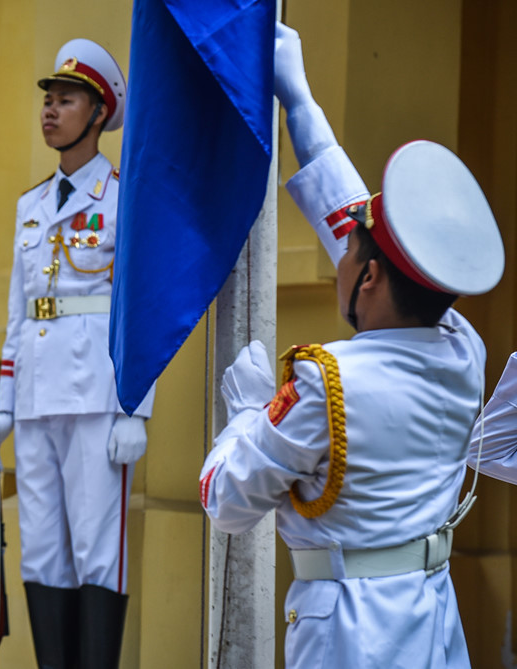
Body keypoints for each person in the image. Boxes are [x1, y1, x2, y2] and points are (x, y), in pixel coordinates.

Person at [199, 24, 504, 668]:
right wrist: (300, 104)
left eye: (352, 256)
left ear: (367, 278)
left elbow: (226, 502)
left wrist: (248, 418)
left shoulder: (324, 382)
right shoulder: (463, 350)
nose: (342, 252)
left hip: (346, 634)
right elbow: (360, 227)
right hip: (431, 620)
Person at [0, 38, 154, 669]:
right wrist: (3, 409)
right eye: (48, 100)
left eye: (67, 100)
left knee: (99, 550)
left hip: (98, 397)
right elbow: (21, 316)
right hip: (36, 398)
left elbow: (139, 305)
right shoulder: (29, 206)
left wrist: (138, 406)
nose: (51, 111)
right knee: (44, 548)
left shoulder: (121, 197)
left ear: (99, 112)